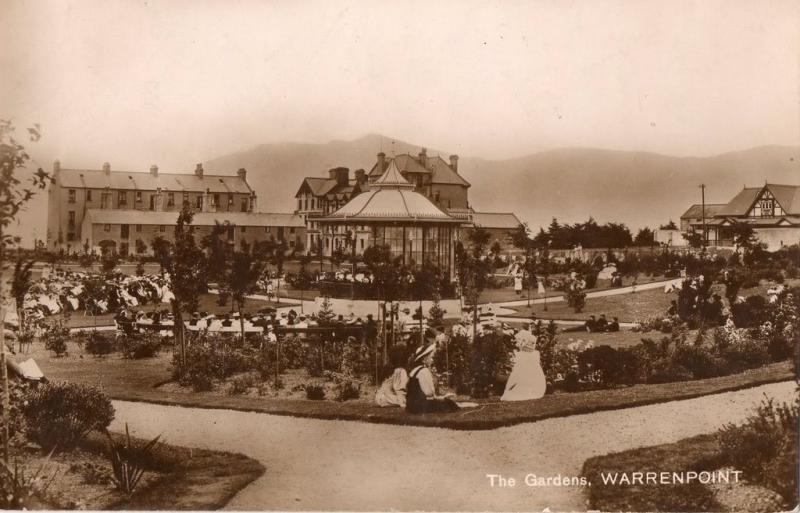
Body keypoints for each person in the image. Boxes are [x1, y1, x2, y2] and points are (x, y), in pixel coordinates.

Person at [406, 344, 459, 414]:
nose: (432, 359)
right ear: (424, 359)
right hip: (421, 406)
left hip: (411, 406)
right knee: (449, 403)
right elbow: (429, 393)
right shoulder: (424, 371)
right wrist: (443, 397)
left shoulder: (414, 370)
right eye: (430, 357)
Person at [501, 327, 546, 401]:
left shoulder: (520, 356)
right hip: (539, 387)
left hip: (529, 385)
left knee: (510, 395)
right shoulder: (535, 354)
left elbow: (515, 375)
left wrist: (507, 389)